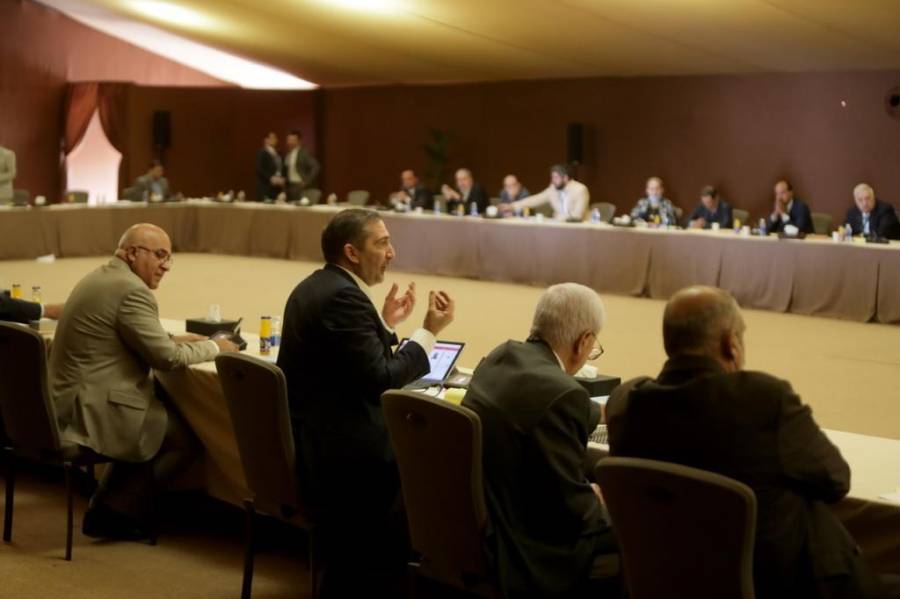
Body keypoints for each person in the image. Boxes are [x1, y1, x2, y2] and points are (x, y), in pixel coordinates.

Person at [606, 286, 888, 599]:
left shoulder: (625, 403)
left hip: (668, 583)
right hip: (773, 583)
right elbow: (835, 480)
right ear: (731, 343)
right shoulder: (765, 400)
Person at [277, 209, 455, 597]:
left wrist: (386, 325)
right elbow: (381, 380)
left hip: (320, 439)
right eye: (382, 243)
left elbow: (349, 363)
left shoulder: (317, 285)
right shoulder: (343, 297)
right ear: (352, 253)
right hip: (344, 459)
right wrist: (428, 332)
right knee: (433, 462)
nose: (392, 252)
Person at [48, 224, 238, 540]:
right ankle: (115, 513)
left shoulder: (102, 276)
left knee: (154, 420)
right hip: (92, 410)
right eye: (160, 255)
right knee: (181, 440)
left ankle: (107, 506)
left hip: (69, 402)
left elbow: (119, 330)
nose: (166, 265)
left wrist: (170, 337)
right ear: (133, 253)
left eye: (169, 258)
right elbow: (168, 359)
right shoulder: (132, 290)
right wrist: (217, 347)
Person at [462, 283, 618, 599]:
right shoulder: (563, 393)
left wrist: (608, 410)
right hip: (528, 547)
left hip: (485, 522)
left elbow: (551, 405)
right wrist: (600, 499)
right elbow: (573, 511)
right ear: (584, 341)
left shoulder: (502, 355)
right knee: (644, 527)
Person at [506, 164, 590, 221]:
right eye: (552, 177)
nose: (553, 181)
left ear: (565, 178)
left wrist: (560, 217)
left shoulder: (580, 189)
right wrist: (512, 206)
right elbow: (535, 199)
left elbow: (577, 216)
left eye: (556, 178)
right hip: (560, 227)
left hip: (580, 229)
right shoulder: (553, 189)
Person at [283, 130, 320, 203]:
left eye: (293, 140)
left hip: (300, 186)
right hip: (289, 187)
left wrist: (306, 181)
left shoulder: (304, 153)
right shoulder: (288, 154)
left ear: (298, 141)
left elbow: (316, 167)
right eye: (289, 140)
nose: (290, 142)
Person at [255, 132, 284, 201]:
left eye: (275, 138)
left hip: (277, 188)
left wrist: (282, 178)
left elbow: (280, 168)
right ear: (266, 140)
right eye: (272, 138)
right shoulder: (262, 152)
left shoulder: (278, 153)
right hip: (265, 187)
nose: (275, 140)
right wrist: (271, 178)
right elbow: (259, 169)